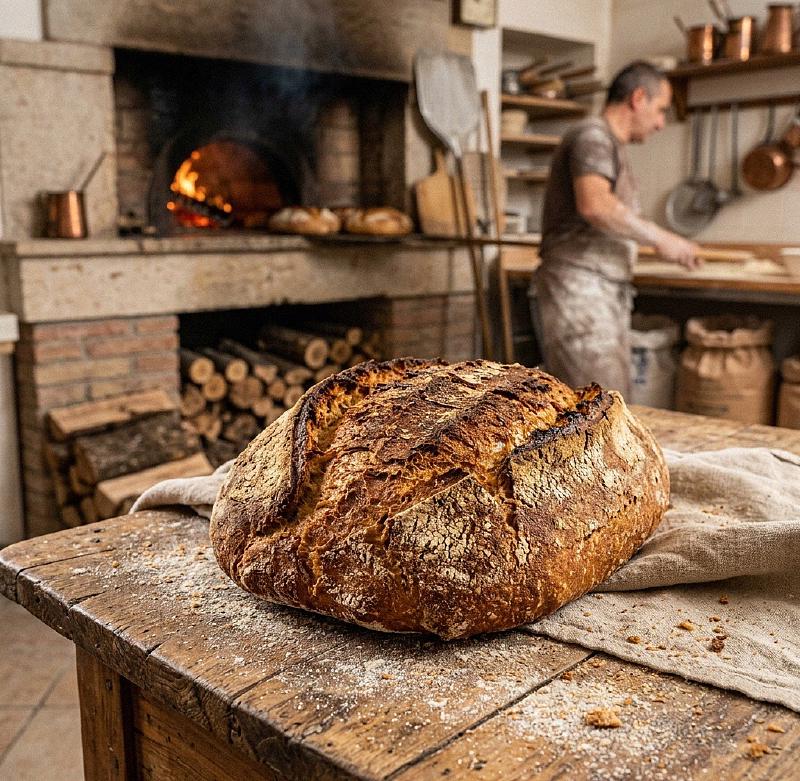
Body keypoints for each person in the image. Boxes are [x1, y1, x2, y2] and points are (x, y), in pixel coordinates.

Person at [532, 60, 701, 397]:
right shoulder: (592, 136)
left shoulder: (607, 143)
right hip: (579, 292)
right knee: (593, 409)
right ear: (638, 98)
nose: (660, 123)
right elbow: (596, 204)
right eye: (660, 110)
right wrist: (662, 238)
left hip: (596, 291)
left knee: (605, 406)